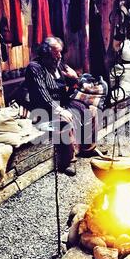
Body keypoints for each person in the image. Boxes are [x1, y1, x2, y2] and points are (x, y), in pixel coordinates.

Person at [25, 36, 103, 176]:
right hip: (43, 109)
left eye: (60, 53)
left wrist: (76, 79)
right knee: (63, 122)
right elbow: (42, 94)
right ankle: (68, 162)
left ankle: (88, 149)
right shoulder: (35, 68)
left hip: (64, 103)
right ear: (45, 54)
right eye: (55, 54)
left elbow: (75, 82)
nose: (59, 57)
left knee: (90, 110)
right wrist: (59, 110)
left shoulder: (59, 64)